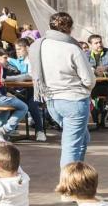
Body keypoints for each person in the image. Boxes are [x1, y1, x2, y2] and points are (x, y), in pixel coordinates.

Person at [28, 12, 95, 166]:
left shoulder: (39, 45)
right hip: (74, 100)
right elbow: (89, 79)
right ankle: (69, 185)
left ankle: (78, 172)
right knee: (71, 146)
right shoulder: (72, 48)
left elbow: (34, 72)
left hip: (52, 100)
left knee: (83, 138)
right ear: (70, 28)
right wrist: (84, 88)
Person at [8, 38, 47, 142]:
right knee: (13, 100)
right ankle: (11, 129)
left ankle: (40, 131)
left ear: (27, 48)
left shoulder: (33, 59)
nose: (17, 52)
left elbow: (29, 76)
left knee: (32, 103)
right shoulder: (21, 60)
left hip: (38, 91)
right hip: (24, 90)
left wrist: (10, 78)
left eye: (19, 49)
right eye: (16, 49)